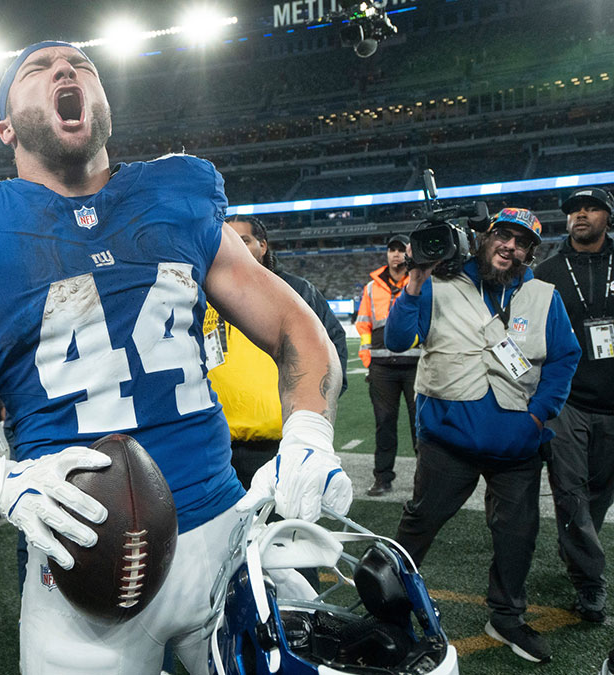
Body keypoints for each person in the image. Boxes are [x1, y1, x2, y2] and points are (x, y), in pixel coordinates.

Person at [0, 41, 350, 673]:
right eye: (38, 69)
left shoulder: (176, 193)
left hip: (222, 532)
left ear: (103, 103)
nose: (65, 70)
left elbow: (296, 324)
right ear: (5, 126)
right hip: (82, 559)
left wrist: (308, 430)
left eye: (82, 66)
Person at [386, 208, 580, 663]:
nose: (509, 247)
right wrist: (415, 280)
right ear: (484, 238)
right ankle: (388, 610)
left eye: (521, 242)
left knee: (518, 535)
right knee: (419, 525)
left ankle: (506, 617)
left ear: (530, 252)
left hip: (517, 448)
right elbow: (397, 340)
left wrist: (538, 416)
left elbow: (564, 360)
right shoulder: (438, 282)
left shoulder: (543, 296)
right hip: (448, 442)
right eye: (503, 236)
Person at [205, 215, 348, 487]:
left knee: (282, 526)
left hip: (279, 443)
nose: (234, 246)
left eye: (243, 240)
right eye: (228, 240)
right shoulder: (202, 292)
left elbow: (332, 349)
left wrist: (311, 411)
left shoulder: (296, 290)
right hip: (215, 444)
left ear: (263, 245)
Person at [532, 186, 614, 624]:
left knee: (599, 492)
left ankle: (578, 551)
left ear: (608, 216)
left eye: (591, 208)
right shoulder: (546, 272)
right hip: (568, 401)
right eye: (573, 210)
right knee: (569, 492)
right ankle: (590, 583)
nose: (580, 215)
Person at [357, 233, 421, 496]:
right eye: (391, 250)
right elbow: (364, 323)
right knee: (384, 424)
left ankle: (425, 479)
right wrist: (367, 357)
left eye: (399, 250)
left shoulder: (420, 282)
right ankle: (382, 477)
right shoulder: (371, 288)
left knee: (421, 424)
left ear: (407, 254)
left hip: (416, 364)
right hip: (382, 366)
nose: (395, 254)